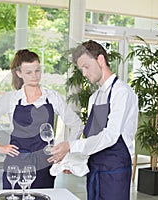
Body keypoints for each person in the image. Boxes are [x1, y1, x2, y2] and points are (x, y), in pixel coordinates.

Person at [0, 49, 83, 189]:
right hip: (15, 164)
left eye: (37, 71)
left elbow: (77, 125)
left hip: (44, 164)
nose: (35, 76)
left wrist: (65, 149)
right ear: (19, 73)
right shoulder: (12, 99)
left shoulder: (53, 97)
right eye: (29, 72)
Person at [48, 40, 138, 200]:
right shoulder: (94, 98)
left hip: (114, 173)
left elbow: (110, 137)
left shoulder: (122, 93)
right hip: (94, 171)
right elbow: (93, 141)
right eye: (81, 69)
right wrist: (73, 161)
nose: (83, 73)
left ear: (101, 60)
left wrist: (70, 146)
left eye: (86, 66)